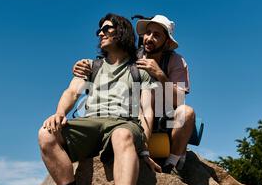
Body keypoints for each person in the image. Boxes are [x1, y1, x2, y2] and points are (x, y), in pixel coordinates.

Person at [33, 13, 160, 185]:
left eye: (107, 29)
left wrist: (144, 148)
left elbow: (146, 110)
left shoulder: (139, 70)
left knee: (122, 134)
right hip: (91, 122)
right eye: (99, 30)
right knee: (46, 133)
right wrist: (59, 113)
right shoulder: (91, 66)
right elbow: (72, 92)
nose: (100, 33)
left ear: (121, 31)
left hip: (123, 123)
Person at [73, 15, 195, 175]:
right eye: (148, 33)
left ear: (167, 42)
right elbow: (107, 63)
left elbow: (178, 100)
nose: (149, 38)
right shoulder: (133, 55)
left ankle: (171, 164)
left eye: (157, 35)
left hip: (165, 116)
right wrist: (82, 66)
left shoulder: (176, 61)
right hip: (133, 116)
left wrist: (159, 74)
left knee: (186, 113)